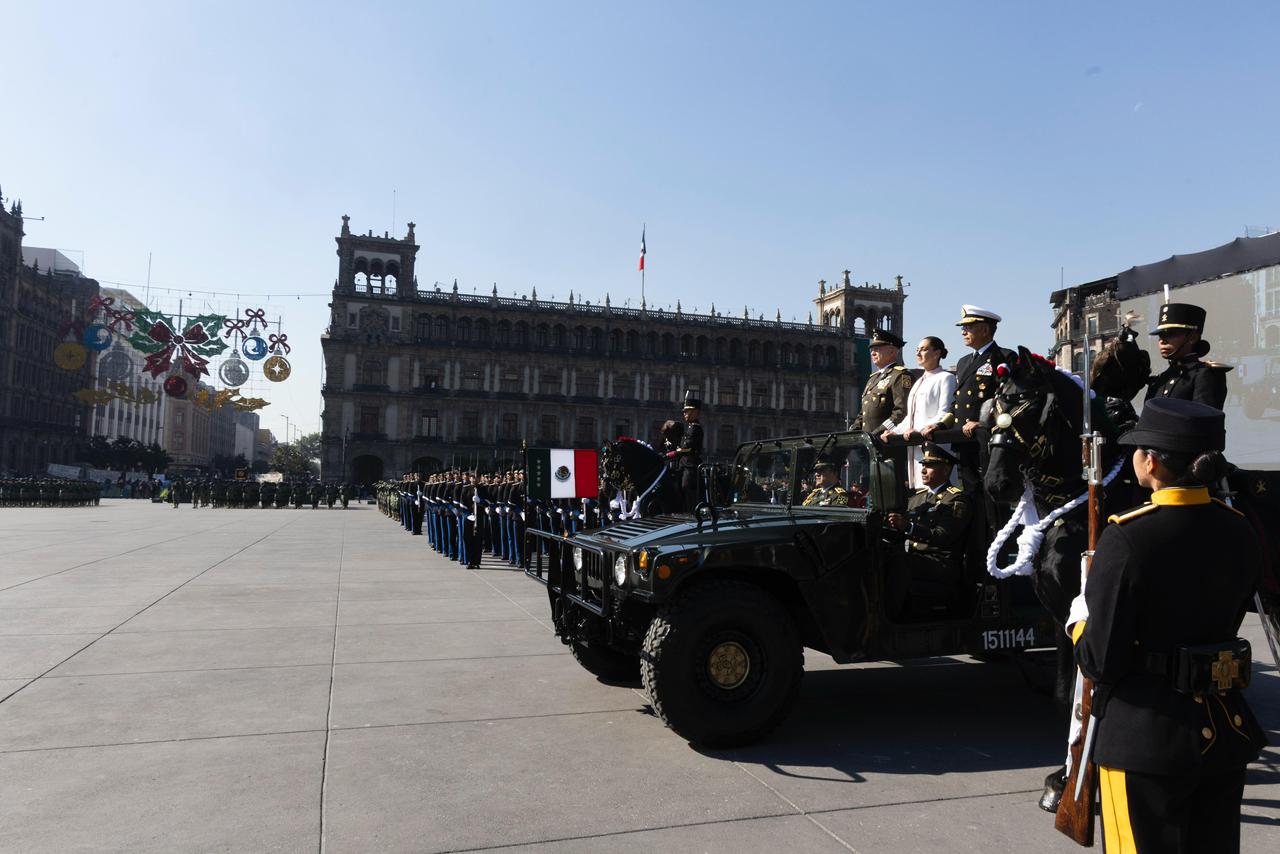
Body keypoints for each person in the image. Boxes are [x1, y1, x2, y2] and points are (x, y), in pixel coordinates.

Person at [1068, 398, 1265, 853]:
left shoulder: (1129, 535)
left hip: (1145, 735)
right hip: (1223, 728)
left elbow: (1100, 659)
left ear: (1151, 460)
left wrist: (1080, 622)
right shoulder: (1239, 528)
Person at [923, 305, 1014, 491]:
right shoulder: (964, 362)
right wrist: (940, 425)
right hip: (964, 440)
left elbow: (1009, 399)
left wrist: (982, 422)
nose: (964, 331)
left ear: (985, 330)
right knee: (971, 493)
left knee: (991, 494)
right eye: (963, 328)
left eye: (969, 327)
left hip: (988, 439)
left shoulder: (1004, 357)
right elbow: (957, 404)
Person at [883, 444, 972, 617]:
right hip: (918, 559)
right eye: (923, 465)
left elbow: (943, 536)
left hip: (941, 563)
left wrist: (908, 526)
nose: (923, 470)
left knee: (900, 562)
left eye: (930, 466)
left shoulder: (955, 498)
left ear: (946, 471)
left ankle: (890, 617)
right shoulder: (917, 498)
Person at [885, 336, 957, 488]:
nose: (918, 354)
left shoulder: (946, 378)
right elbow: (910, 418)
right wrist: (894, 431)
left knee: (936, 491)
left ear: (937, 353)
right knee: (918, 493)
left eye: (923, 350)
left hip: (935, 448)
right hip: (915, 446)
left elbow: (944, 413)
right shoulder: (918, 382)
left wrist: (917, 430)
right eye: (917, 350)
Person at [1145, 302, 1230, 409]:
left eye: (1171, 334)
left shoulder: (1205, 374)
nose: (1162, 341)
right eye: (1161, 335)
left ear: (1192, 337)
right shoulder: (1161, 379)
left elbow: (1204, 421)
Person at [851, 329, 913, 433]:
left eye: (877, 348)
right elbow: (863, 413)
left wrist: (879, 432)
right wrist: (853, 432)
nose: (872, 352)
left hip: (887, 441)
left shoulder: (901, 375)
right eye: (871, 349)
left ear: (892, 351)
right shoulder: (873, 379)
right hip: (869, 442)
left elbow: (901, 411)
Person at [666, 391, 704, 511]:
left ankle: (692, 509)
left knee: (686, 486)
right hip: (682, 463)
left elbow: (688, 448)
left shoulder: (695, 428)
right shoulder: (688, 427)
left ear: (695, 412)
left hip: (691, 464)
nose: (684, 414)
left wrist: (673, 453)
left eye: (687, 412)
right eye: (684, 412)